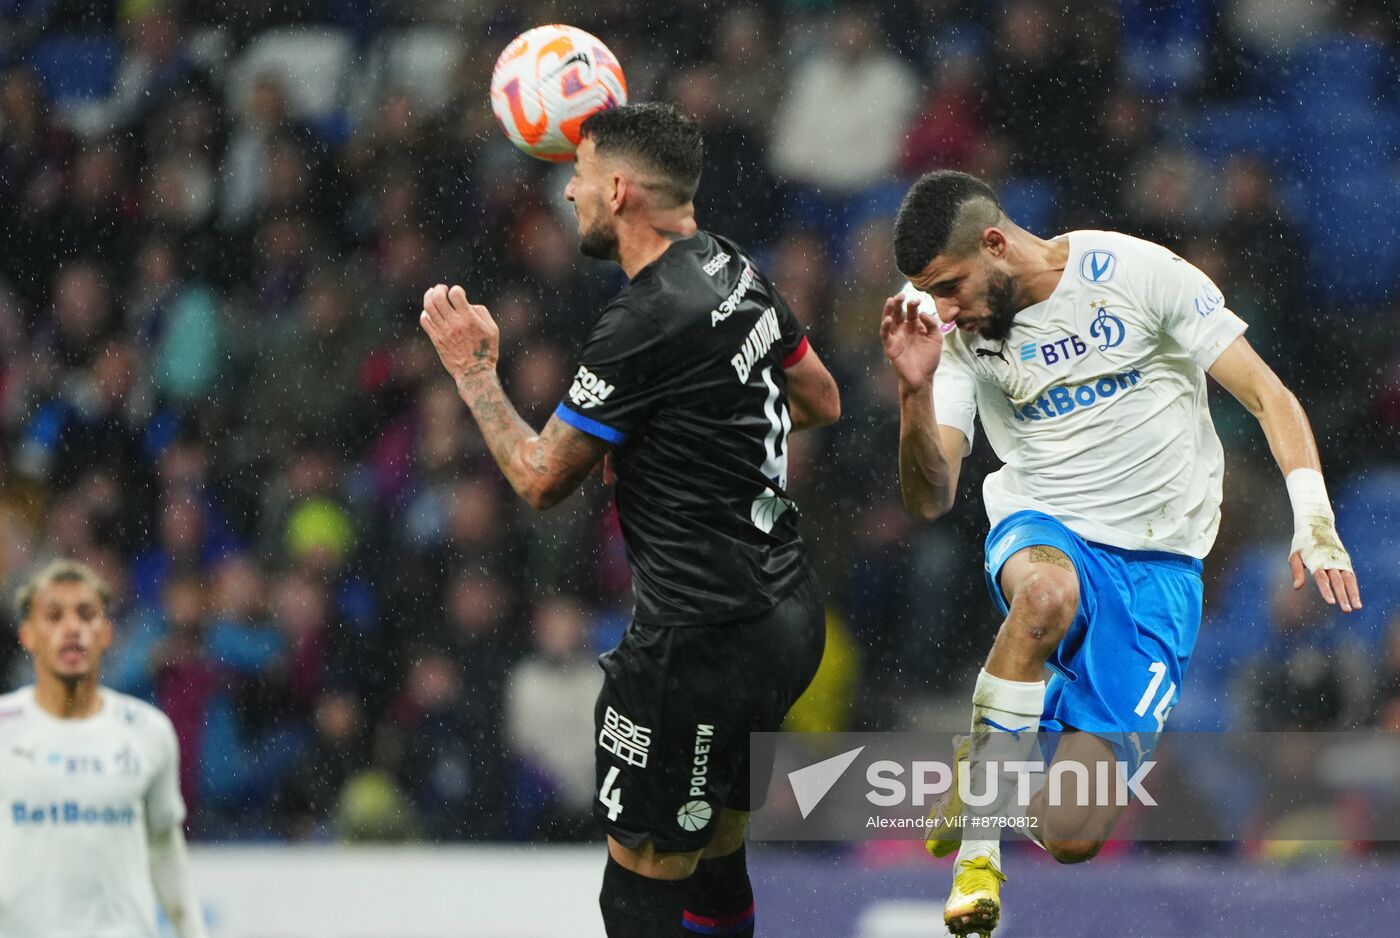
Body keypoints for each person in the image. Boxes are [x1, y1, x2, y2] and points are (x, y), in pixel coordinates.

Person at [880, 170, 1360, 936]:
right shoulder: (954, 339)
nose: (942, 310)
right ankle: (979, 851)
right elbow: (929, 496)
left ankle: (991, 756)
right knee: (1044, 598)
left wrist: (1315, 519)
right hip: (1046, 527)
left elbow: (1270, 396)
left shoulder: (1133, 275)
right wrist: (913, 393)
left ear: (996, 243)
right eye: (927, 293)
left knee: (1072, 834)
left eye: (950, 286)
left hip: (1158, 573)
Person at [419, 103, 840, 937]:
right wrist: (677, 440)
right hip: (786, 616)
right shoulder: (733, 267)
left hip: (696, 639)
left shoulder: (645, 321)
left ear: (617, 189)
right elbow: (819, 398)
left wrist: (473, 376)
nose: (567, 193)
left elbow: (540, 480)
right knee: (716, 849)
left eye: (576, 176)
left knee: (641, 877)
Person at [0, 559, 208, 938]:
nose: (72, 628)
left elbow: (164, 848)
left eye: (86, 614)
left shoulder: (148, 731)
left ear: (107, 633)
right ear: (27, 635)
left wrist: (193, 931)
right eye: (54, 616)